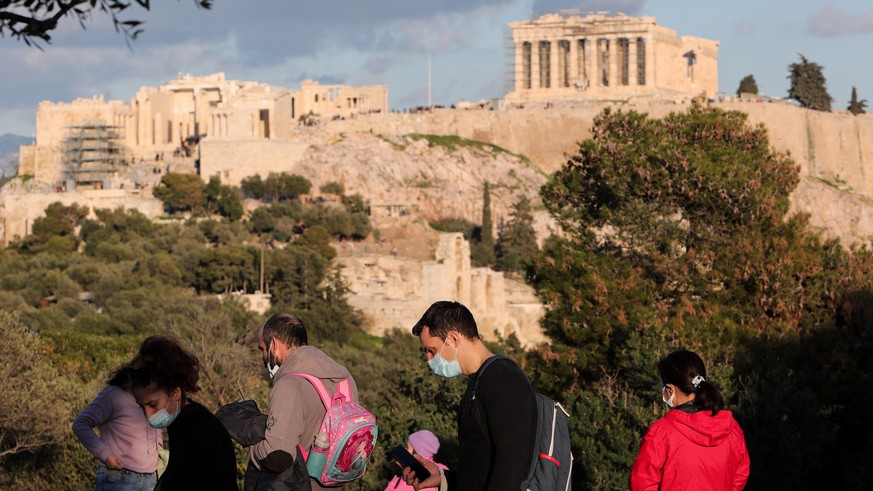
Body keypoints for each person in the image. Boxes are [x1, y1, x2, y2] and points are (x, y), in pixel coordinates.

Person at [402, 301, 536, 491]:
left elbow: (511, 466)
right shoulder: (479, 381)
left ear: (453, 339)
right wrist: (442, 477)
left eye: (431, 350)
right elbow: (480, 471)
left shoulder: (503, 378)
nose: (429, 360)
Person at [246, 313, 360, 490]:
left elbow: (277, 456)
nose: (263, 357)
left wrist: (249, 445)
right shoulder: (344, 379)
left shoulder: (290, 385)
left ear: (274, 344)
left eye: (262, 349)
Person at [129, 335, 238, 491]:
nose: (148, 415)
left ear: (175, 392)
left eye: (153, 404)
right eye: (142, 407)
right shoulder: (181, 421)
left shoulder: (201, 429)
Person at [630, 350, 750, 490]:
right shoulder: (732, 428)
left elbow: (642, 484)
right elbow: (740, 476)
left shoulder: (660, 432)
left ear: (669, 389)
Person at [73, 363, 162, 490]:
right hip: (119, 478)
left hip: (150, 479)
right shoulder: (113, 395)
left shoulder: (149, 396)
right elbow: (80, 424)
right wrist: (105, 454)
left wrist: (158, 451)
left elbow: (155, 423)